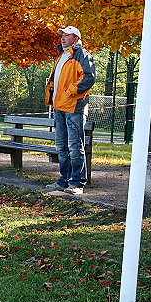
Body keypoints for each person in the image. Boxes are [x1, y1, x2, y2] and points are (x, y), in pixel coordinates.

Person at [45, 26, 96, 195]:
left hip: (74, 106)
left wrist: (71, 91)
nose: (63, 38)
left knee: (75, 146)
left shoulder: (82, 55)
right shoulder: (62, 56)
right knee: (62, 146)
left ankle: (77, 183)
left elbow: (89, 77)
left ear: (76, 38)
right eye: (62, 35)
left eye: (67, 35)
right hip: (59, 106)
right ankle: (64, 180)